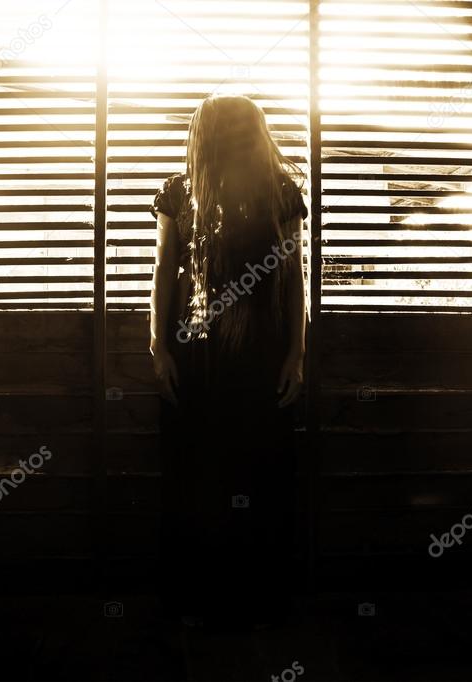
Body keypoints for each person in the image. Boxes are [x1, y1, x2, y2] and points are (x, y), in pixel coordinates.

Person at [148, 94, 309, 628]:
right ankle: (196, 602)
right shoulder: (179, 191)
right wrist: (158, 348)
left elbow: (293, 280)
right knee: (196, 470)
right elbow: (164, 270)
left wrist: (295, 355)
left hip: (261, 352)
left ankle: (259, 602)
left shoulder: (280, 191)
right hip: (196, 352)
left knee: (261, 469)